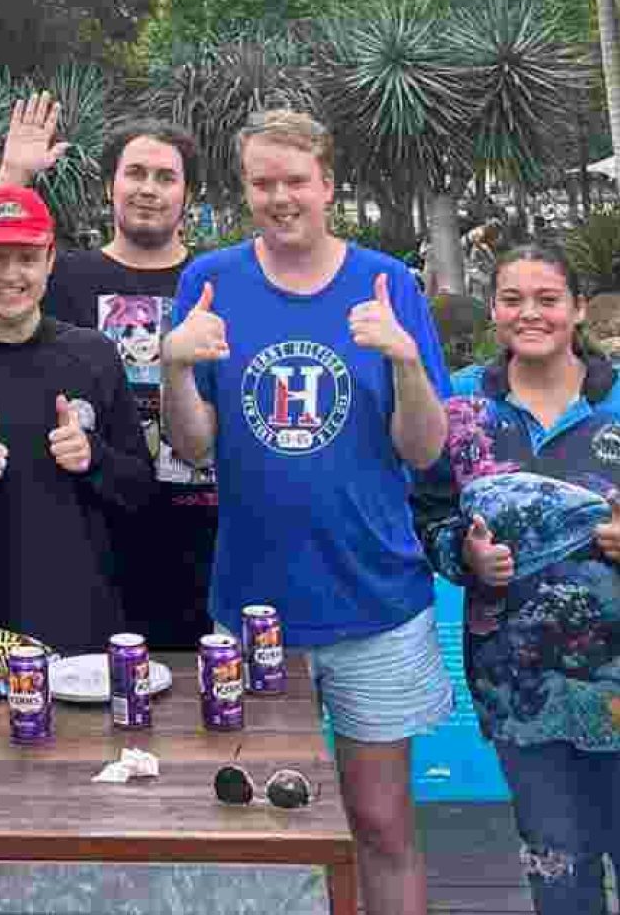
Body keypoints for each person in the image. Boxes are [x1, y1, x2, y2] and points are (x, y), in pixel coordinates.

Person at [160, 107, 452, 915]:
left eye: (296, 181)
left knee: (382, 821)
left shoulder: (387, 282)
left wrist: (405, 361)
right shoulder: (210, 281)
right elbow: (192, 448)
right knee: (256, 823)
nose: (281, 197)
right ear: (244, 188)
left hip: (375, 600)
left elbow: (425, 451)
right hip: (253, 607)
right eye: (263, 183)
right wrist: (175, 368)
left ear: (328, 185)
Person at [416, 243, 620, 915]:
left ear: (578, 309)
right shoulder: (459, 404)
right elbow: (422, 510)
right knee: (558, 879)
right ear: (493, 311)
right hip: (523, 694)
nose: (530, 314)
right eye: (513, 299)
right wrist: (464, 554)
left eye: (548, 299)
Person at [0, 96, 216, 646]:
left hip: (196, 532)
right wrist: (14, 174)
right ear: (109, 185)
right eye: (134, 173)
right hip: (86, 528)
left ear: (188, 194)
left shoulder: (214, 279)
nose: (148, 188)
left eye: (166, 177)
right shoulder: (64, 274)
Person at [0, 184, 153, 652]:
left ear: (49, 259)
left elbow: (139, 490)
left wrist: (93, 456)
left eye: (26, 257)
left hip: (88, 623)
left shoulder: (93, 354)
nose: (10, 274)